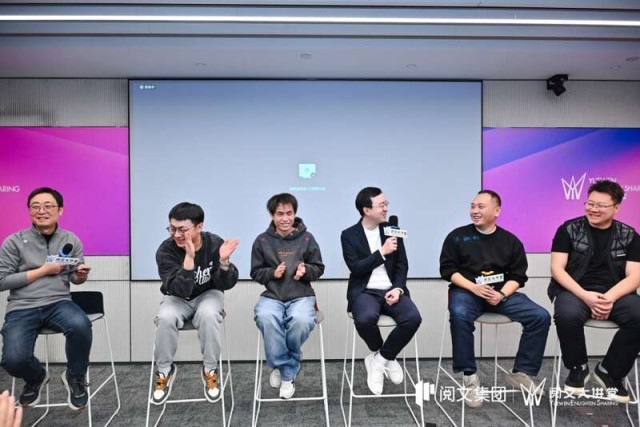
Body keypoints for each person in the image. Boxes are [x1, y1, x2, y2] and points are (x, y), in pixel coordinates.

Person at [439, 189, 551, 407]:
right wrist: (474, 288)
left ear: (497, 211)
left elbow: (518, 276)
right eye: (472, 206)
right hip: (467, 291)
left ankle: (520, 373)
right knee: (459, 313)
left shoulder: (510, 241)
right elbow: (448, 270)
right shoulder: (457, 236)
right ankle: (470, 377)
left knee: (540, 316)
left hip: (501, 293)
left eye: (481, 207)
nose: (474, 211)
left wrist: (501, 294)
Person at [0, 187, 92, 410]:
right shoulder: (14, 241)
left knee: (81, 325)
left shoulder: (71, 239)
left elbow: (74, 278)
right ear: (29, 210)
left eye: (48, 206)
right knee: (13, 360)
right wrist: (43, 270)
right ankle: (36, 376)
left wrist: (80, 276)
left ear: (60, 210)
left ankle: (75, 377)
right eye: (36, 206)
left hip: (59, 302)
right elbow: (2, 281)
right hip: (22, 306)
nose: (42, 211)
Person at [549, 179, 640, 403]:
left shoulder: (629, 235)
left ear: (616, 207)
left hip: (615, 293)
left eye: (601, 205)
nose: (593, 209)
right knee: (566, 314)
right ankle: (578, 368)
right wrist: (586, 297)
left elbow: (635, 276)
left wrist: (608, 298)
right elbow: (557, 269)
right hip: (575, 290)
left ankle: (610, 371)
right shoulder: (568, 229)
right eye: (590, 203)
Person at [150, 202, 239, 405]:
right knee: (165, 318)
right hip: (177, 297)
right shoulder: (166, 251)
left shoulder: (214, 244)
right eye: (172, 229)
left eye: (182, 230)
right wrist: (189, 259)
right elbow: (179, 289)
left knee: (209, 315)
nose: (176, 235)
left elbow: (226, 284)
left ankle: (210, 369)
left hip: (208, 294)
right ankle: (164, 371)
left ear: (199, 227)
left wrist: (224, 263)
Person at [340, 187, 422, 395]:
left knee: (413, 318)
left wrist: (398, 288)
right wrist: (382, 252)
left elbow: (402, 264)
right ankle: (385, 355)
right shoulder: (349, 235)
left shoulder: (392, 230)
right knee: (365, 319)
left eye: (386, 204)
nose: (386, 208)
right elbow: (356, 268)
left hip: (391, 289)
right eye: (381, 205)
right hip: (365, 291)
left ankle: (380, 359)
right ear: (366, 210)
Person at [251, 193, 325, 399]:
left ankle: (283, 367)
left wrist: (306, 271)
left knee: (302, 320)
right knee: (265, 316)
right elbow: (255, 272)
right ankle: (288, 369)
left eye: (289, 213)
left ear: (295, 213)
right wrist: (272, 273)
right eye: (280, 214)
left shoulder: (307, 238)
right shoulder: (262, 240)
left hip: (302, 295)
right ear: (272, 215)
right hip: (273, 296)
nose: (285, 218)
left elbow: (318, 268)